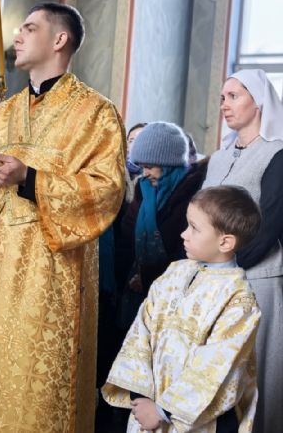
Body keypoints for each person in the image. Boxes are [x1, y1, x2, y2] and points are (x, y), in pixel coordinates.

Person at [0, 2, 125, 432]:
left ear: (60, 40)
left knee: (29, 378)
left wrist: (29, 177)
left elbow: (106, 189)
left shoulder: (96, 112)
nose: (16, 36)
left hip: (46, 266)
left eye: (30, 28)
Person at [103, 185, 262, 432]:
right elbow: (141, 331)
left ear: (225, 242)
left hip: (190, 418)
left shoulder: (238, 299)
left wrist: (163, 411)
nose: (184, 234)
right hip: (148, 402)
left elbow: (218, 366)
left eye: (194, 228)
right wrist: (141, 397)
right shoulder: (175, 272)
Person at [202, 68, 283, 433]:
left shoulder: (276, 153)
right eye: (222, 97)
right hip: (214, 278)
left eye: (234, 96)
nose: (224, 104)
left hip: (256, 277)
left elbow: (271, 222)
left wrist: (228, 263)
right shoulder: (219, 157)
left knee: (257, 372)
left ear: (259, 102)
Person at [118, 122, 207, 327]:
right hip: (137, 291)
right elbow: (127, 235)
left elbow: (189, 254)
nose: (145, 173)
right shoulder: (144, 188)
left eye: (150, 166)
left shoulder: (194, 194)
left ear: (169, 164)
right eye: (142, 167)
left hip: (176, 296)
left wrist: (149, 277)